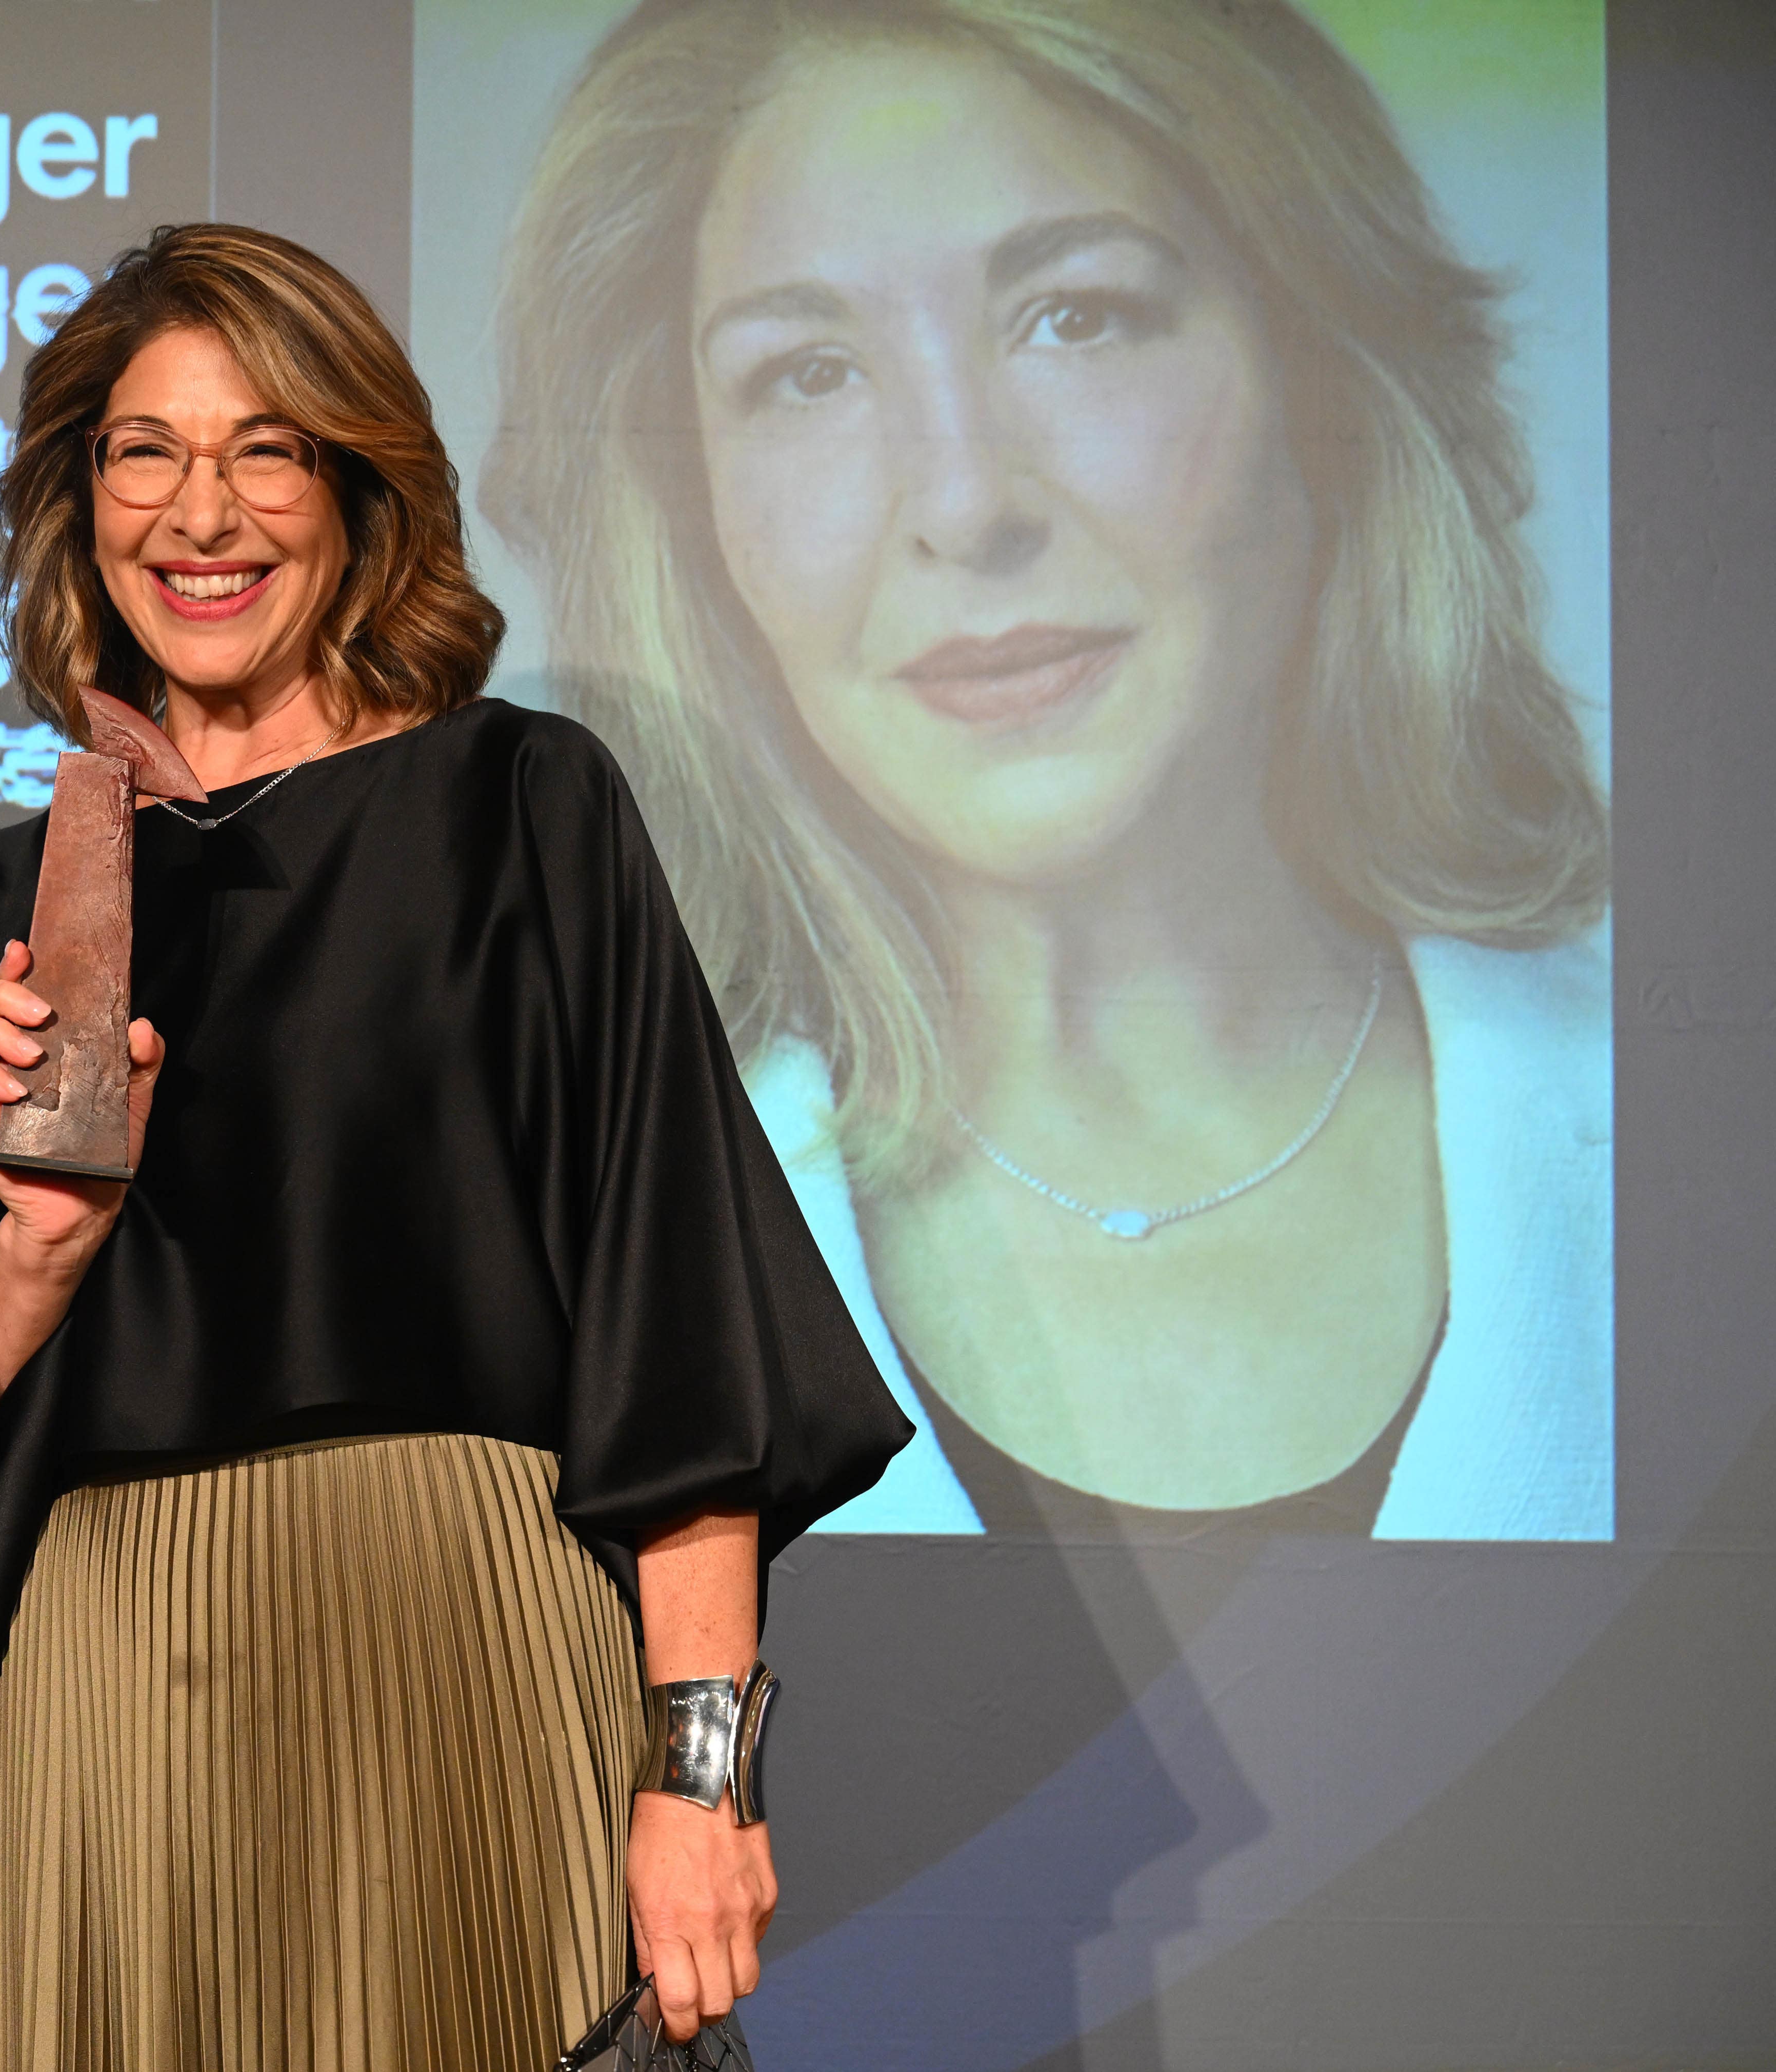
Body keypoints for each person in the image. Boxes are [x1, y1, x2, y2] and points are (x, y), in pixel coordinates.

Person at [0, 223, 909, 2066]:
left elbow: (681, 1325)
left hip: (462, 1646)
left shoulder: (523, 812)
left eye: (265, 446)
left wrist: (698, 1771)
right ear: (81, 504)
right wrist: (31, 1252)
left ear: (354, 488)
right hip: (125, 1698)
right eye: (142, 452)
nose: (201, 511)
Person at [486, 0, 1611, 1541]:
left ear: (1326, 384)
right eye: (809, 373)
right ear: (696, 510)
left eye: (1075, 316)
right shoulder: (531, 1232)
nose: (962, 501)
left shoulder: (1682, 1136)